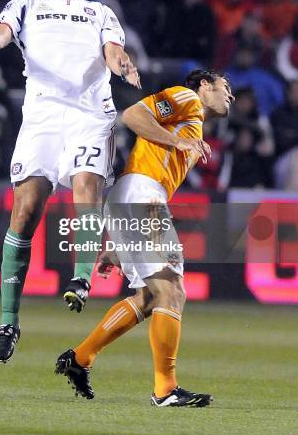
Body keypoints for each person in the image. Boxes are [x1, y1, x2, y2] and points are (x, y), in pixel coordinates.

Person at [0, 0, 140, 362]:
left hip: (89, 114)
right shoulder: (26, 5)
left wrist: (121, 64)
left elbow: (112, 50)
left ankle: (81, 277)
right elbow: (1, 37)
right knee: (25, 212)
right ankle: (8, 321)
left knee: (86, 184)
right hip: (43, 116)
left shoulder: (100, 11)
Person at [55, 69, 234, 407]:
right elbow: (134, 114)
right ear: (204, 85)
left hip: (137, 198)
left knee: (152, 296)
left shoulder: (193, 129)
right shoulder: (186, 98)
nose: (231, 95)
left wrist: (120, 241)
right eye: (226, 87)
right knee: (171, 288)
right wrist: (177, 141)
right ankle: (165, 390)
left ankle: (79, 359)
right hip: (140, 194)